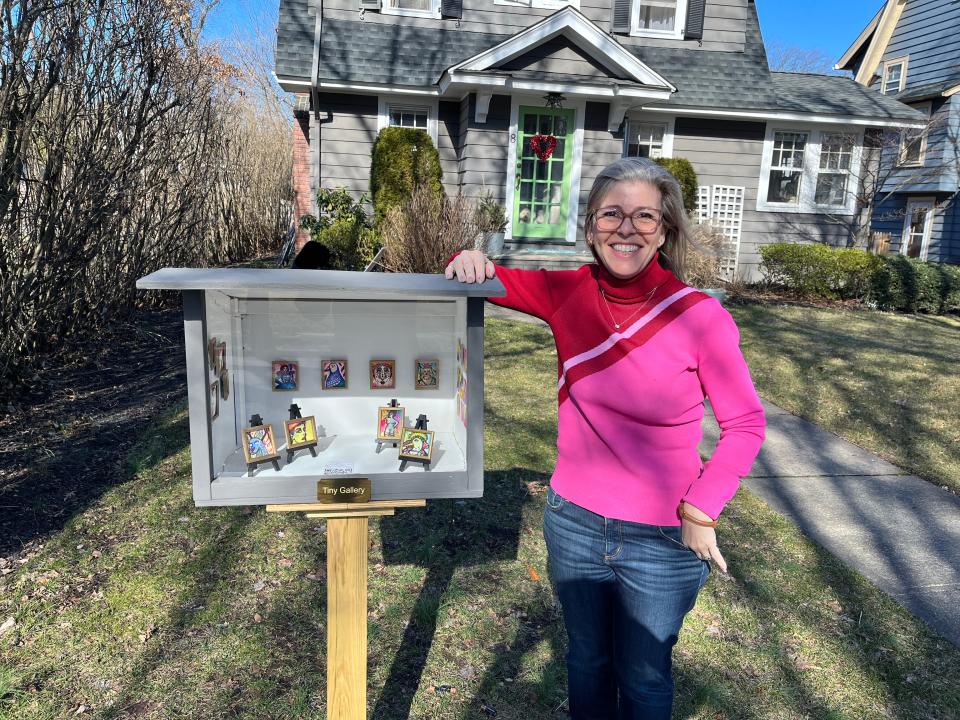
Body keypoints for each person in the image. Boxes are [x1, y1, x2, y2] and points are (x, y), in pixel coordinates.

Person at [445, 158, 765, 719]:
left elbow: (745, 424)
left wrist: (702, 509)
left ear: (664, 230)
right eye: (611, 214)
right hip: (574, 524)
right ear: (590, 226)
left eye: (645, 216)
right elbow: (479, 277)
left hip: (664, 538)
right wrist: (468, 259)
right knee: (587, 662)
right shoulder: (564, 293)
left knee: (643, 679)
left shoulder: (700, 317)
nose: (626, 229)